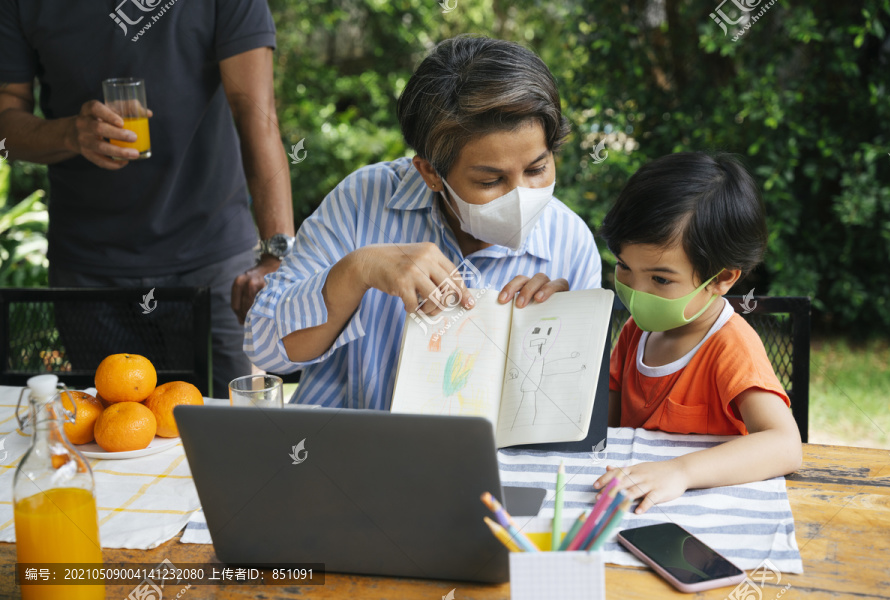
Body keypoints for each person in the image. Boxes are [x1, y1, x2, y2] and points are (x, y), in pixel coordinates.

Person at [245, 35, 604, 408]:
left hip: (493, 463)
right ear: (431, 173)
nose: (520, 195)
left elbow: (573, 408)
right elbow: (267, 349)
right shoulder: (363, 202)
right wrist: (357, 271)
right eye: (490, 181)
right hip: (348, 452)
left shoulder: (570, 242)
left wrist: (566, 338)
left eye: (537, 168)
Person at [0, 0, 294, 397]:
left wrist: (277, 252)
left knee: (233, 434)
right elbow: (5, 126)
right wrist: (71, 134)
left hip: (213, 264)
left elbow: (256, 113)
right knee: (107, 437)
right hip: (88, 272)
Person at [593, 152, 802, 514]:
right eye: (624, 267)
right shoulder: (635, 332)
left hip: (707, 512)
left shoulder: (730, 346)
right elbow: (602, 431)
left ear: (721, 278)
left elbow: (785, 445)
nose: (636, 291)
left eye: (660, 279)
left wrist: (680, 471)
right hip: (634, 504)